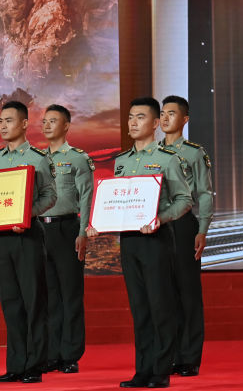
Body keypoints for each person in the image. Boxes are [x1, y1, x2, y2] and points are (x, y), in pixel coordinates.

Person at [87, 97, 192, 389]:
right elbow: (115, 201)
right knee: (140, 308)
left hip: (156, 238)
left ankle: (161, 370)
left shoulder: (169, 159)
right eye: (131, 117)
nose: (133, 122)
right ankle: (142, 369)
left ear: (156, 123)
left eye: (140, 117)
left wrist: (161, 218)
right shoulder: (122, 161)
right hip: (129, 241)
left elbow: (184, 200)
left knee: (160, 306)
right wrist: (98, 224)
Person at [0, 101, 57, 383]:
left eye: (9, 120)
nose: (3, 126)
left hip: (27, 236)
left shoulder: (38, 159)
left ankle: (35, 365)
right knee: (11, 302)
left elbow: (50, 196)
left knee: (34, 300)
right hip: (2, 238)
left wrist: (27, 215)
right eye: (1, 121)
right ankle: (15, 365)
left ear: (25, 124)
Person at [159, 95, 214, 377]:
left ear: (185, 119)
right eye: (162, 113)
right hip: (156, 227)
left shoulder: (193, 153)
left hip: (182, 225)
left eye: (172, 113)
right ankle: (167, 354)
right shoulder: (151, 152)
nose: (165, 118)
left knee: (187, 291)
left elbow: (203, 193)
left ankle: (189, 357)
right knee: (163, 293)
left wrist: (202, 229)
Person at [39, 104, 94, 374]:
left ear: (66, 126)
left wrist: (83, 232)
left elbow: (87, 197)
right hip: (41, 230)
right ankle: (52, 354)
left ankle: (70, 355)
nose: (47, 125)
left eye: (53, 120)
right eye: (44, 121)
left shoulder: (77, 158)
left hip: (67, 229)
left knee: (70, 293)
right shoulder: (37, 159)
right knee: (49, 295)